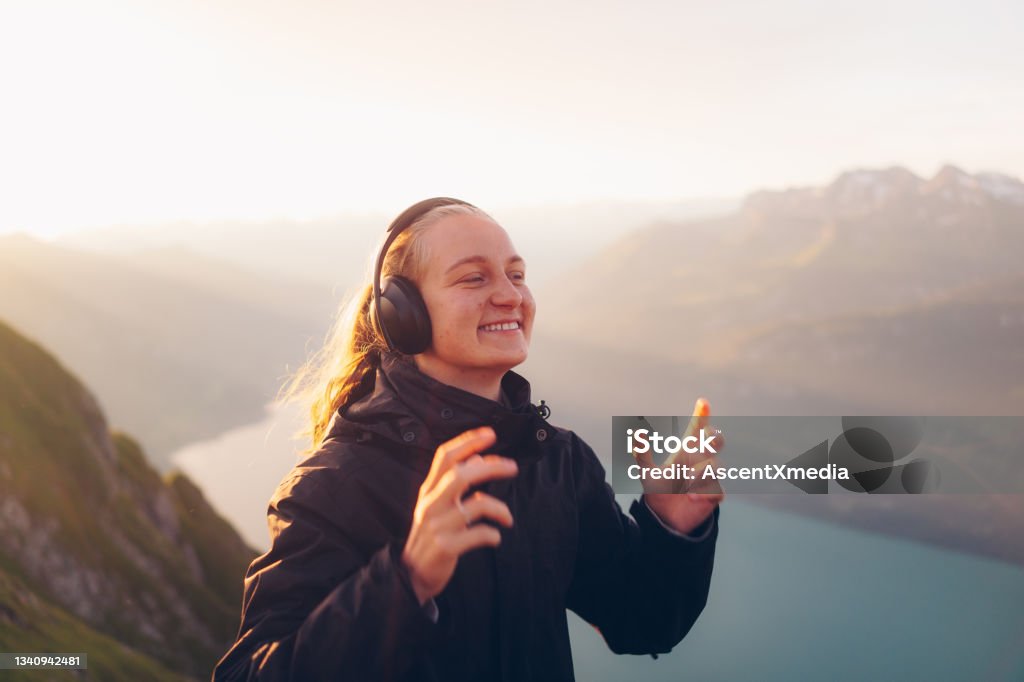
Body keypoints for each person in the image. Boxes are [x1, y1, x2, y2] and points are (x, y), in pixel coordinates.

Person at [212, 197, 724, 681]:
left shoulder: (557, 462)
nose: (510, 294)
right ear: (402, 314)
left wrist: (671, 527)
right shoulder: (332, 486)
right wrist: (406, 580)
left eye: (517, 274)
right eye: (474, 277)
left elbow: (642, 621)